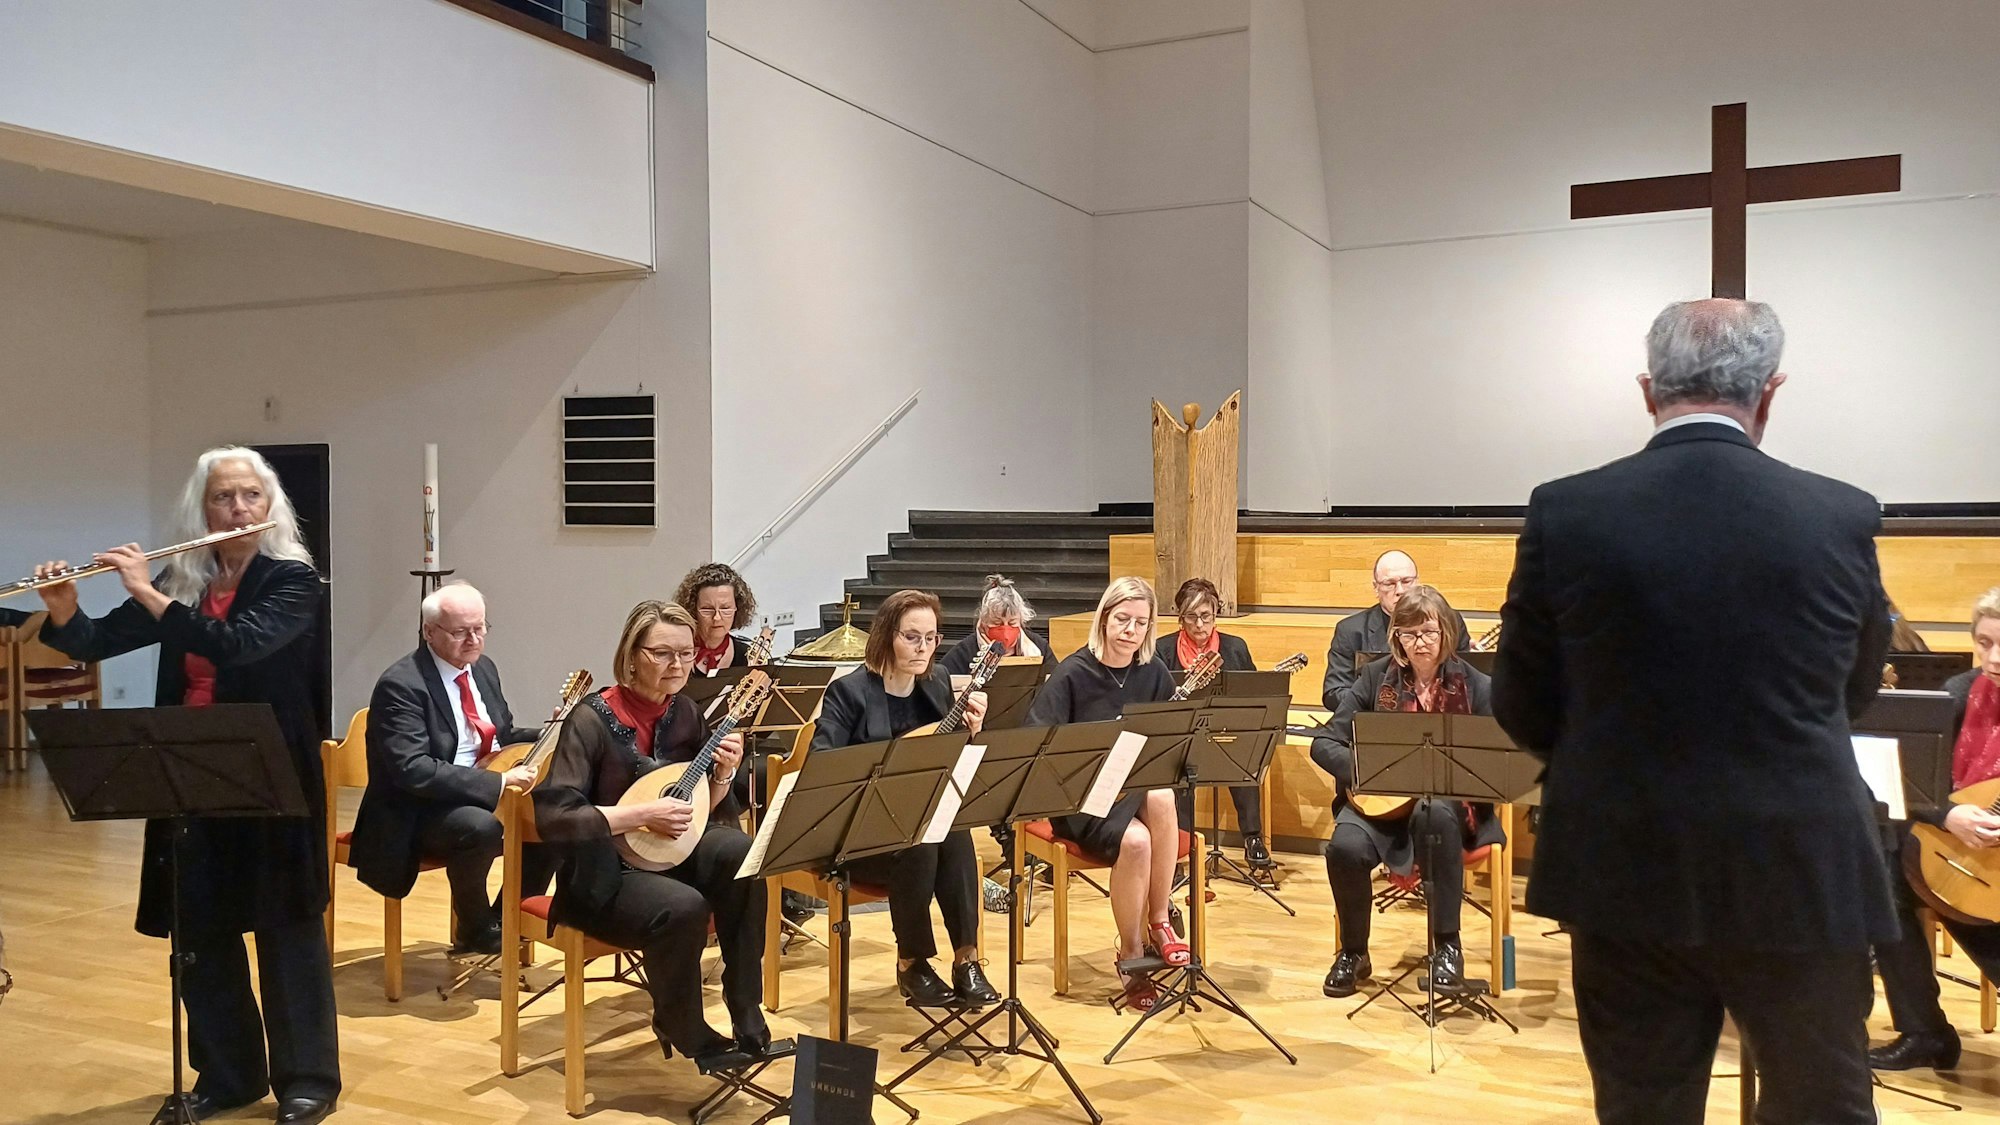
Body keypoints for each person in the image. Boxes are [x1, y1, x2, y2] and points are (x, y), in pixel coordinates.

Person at [1492, 299, 1894, 1125]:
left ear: (1648, 390)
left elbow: (1522, 701)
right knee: (1822, 1108)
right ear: (1770, 393)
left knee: (1644, 1108)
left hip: (1623, 868)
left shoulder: (1567, 510)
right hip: (1799, 866)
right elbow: (1850, 697)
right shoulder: (1842, 514)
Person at [34, 446, 340, 1125]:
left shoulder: (293, 581)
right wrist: (63, 610)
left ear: (270, 507)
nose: (236, 509)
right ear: (201, 508)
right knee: (200, 930)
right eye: (223, 498)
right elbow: (96, 641)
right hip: (184, 767)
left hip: (269, 772)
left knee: (286, 928)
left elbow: (239, 644)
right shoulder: (187, 575)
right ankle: (228, 1074)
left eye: (249, 497)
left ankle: (308, 1077)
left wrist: (148, 591)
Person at [531, 600, 768, 1064]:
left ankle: (744, 1003)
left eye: (685, 653)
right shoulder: (591, 719)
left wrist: (723, 774)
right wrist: (639, 816)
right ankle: (683, 1023)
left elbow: (697, 809)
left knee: (742, 854)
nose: (676, 664)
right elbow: (557, 816)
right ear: (632, 655)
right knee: (686, 906)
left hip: (668, 855)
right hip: (602, 876)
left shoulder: (685, 713)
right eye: (661, 653)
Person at [1311, 585, 1503, 998]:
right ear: (1396, 637)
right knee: (1343, 846)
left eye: (1429, 632)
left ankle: (1448, 948)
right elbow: (1325, 743)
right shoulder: (1375, 679)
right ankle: (1354, 951)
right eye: (1409, 634)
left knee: (1433, 816)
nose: (1420, 643)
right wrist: (1367, 773)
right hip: (1382, 807)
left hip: (1451, 810)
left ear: (1446, 633)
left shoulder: (1478, 686)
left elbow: (1498, 758)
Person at [811, 590, 999, 1007]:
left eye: (931, 638)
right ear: (885, 635)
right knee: (924, 838)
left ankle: (966, 959)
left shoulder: (936, 688)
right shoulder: (849, 692)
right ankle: (911, 962)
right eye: (912, 637)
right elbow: (823, 767)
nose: (924, 648)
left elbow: (951, 768)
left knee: (951, 829)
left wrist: (972, 735)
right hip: (857, 838)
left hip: (921, 833)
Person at [348, 584, 549, 956]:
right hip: (416, 809)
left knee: (555, 818)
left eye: (480, 628)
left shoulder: (482, 669)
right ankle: (474, 927)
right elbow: (412, 769)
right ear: (429, 632)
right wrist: (499, 781)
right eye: (460, 632)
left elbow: (500, 735)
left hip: (475, 792)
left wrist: (552, 732)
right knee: (479, 827)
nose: (473, 640)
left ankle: (506, 919)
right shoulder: (402, 685)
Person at [1027, 576, 1189, 1012]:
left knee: (1161, 795)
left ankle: (1159, 918)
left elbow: (1169, 741)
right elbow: (1040, 743)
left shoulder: (1152, 671)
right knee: (1136, 842)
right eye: (1122, 619)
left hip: (1135, 790)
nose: (1131, 631)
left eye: (1140, 622)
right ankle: (1132, 954)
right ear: (1103, 618)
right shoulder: (1073, 673)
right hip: (1084, 798)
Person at [1870, 588, 2000, 1070]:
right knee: (1889, 876)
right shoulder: (1957, 693)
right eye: (1983, 642)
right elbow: (1912, 781)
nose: (1994, 657)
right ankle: (1925, 1032)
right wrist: (1949, 815)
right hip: (1961, 844)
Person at [1155, 577, 1270, 870]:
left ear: (1215, 614)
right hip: (1182, 738)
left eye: (1206, 616)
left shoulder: (1235, 648)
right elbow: (1155, 699)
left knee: (1242, 755)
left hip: (1224, 733)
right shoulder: (1162, 650)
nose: (1199, 624)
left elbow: (1252, 694)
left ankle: (1253, 838)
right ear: (1181, 618)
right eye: (1191, 617)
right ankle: (1181, 844)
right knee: (1176, 768)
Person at [1322, 550, 1470, 709]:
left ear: (1417, 582)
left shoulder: (1450, 621)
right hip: (1375, 725)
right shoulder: (1350, 631)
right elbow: (1334, 692)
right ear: (1376, 588)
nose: (1400, 590)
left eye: (1407, 581)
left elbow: (1467, 683)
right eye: (1389, 583)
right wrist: (1385, 700)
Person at [937, 574, 1058, 679]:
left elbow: (1055, 684)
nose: (1005, 629)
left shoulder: (1039, 647)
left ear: (1021, 620)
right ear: (984, 621)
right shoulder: (964, 652)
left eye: (1012, 623)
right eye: (997, 623)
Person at [673, 562, 760, 675]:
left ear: (737, 609)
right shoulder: (675, 656)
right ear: (693, 610)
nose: (717, 618)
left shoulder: (748, 656)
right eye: (707, 609)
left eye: (725, 608)